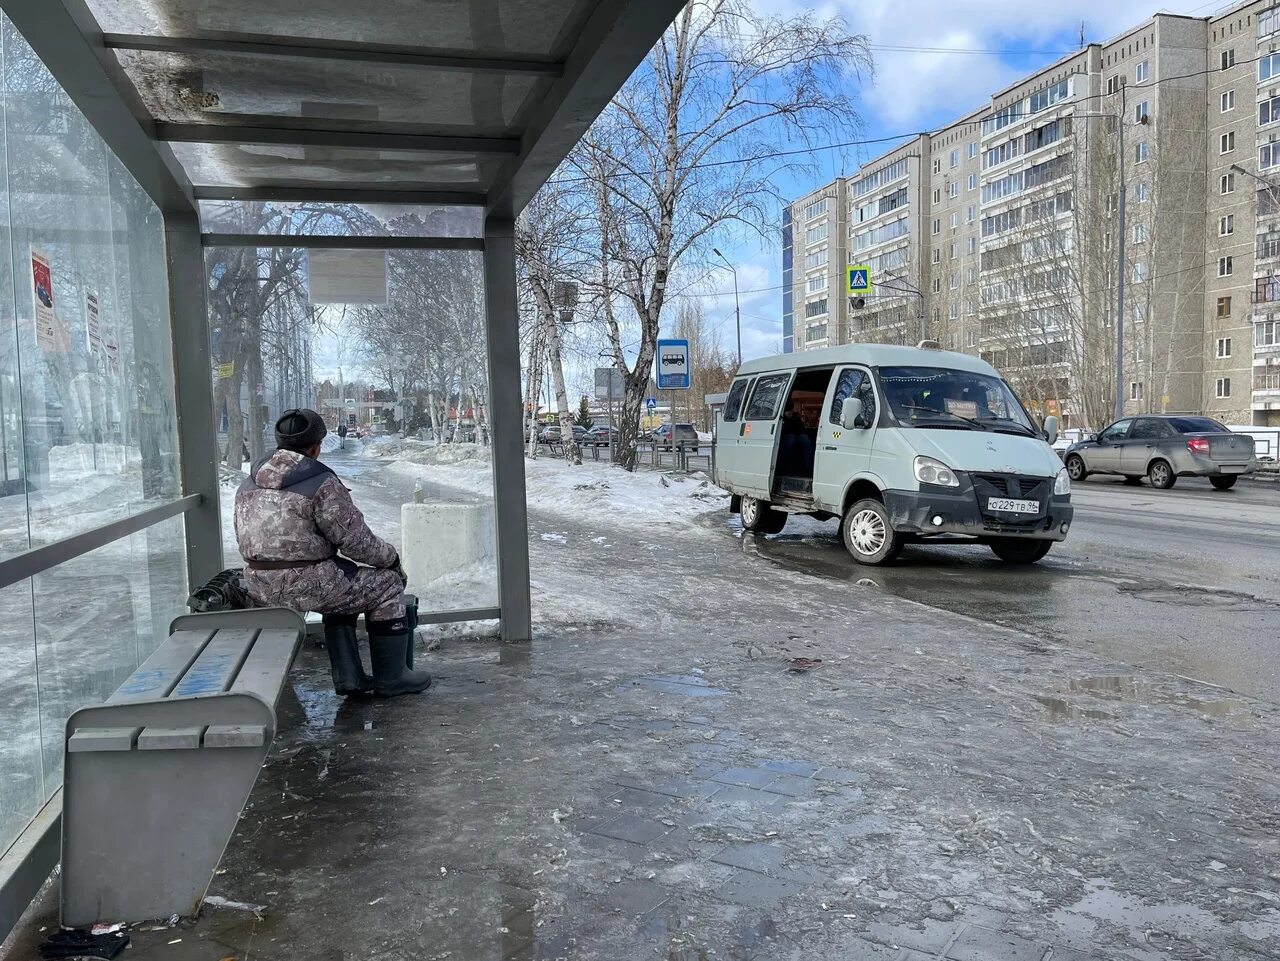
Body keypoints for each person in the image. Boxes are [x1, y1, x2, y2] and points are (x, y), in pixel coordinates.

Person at [234, 409, 430, 698]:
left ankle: (351, 677)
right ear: (316, 446)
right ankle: (392, 678)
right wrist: (392, 560)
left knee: (343, 580)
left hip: (259, 584)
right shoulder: (319, 482)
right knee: (385, 584)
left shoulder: (248, 482)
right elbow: (356, 543)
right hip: (310, 584)